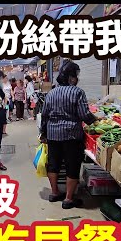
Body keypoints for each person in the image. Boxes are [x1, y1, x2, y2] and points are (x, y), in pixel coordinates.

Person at [40, 61, 96, 209]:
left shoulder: (51, 93)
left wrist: (43, 133)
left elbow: (44, 115)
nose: (77, 78)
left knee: (53, 163)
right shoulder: (77, 92)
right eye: (76, 75)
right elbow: (85, 115)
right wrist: (96, 121)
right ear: (71, 77)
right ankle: (68, 199)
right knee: (72, 165)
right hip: (71, 135)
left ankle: (54, 192)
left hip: (53, 134)